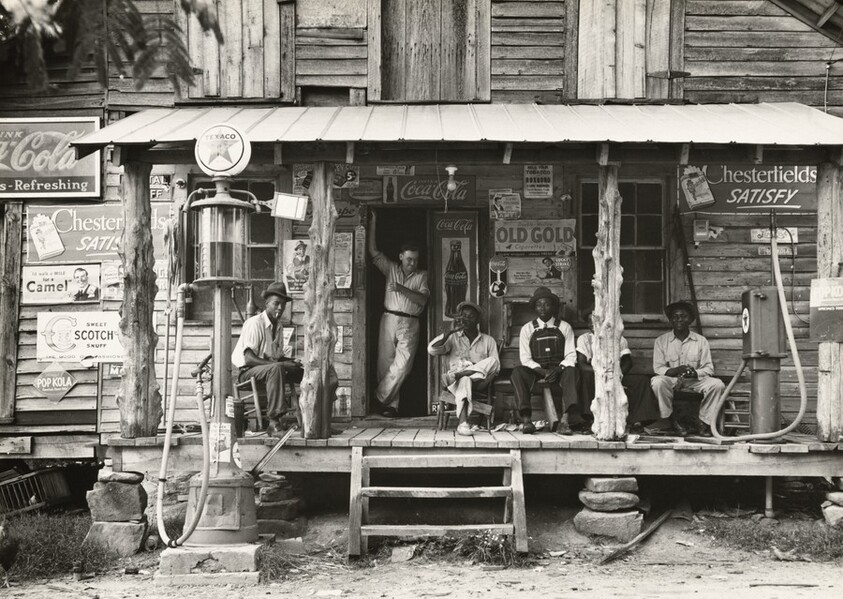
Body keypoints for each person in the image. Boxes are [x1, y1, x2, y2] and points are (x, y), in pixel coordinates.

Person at [368, 211, 430, 417]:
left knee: (402, 366)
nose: (412, 263)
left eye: (415, 260)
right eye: (409, 259)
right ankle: (391, 407)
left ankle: (377, 398)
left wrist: (401, 289)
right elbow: (373, 251)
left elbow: (422, 300)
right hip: (388, 318)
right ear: (401, 256)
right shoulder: (392, 268)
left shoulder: (422, 275)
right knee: (385, 365)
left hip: (410, 322)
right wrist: (374, 221)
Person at [232, 282, 305, 436]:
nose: (280, 308)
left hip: (267, 369)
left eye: (283, 305)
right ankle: (273, 422)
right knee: (277, 368)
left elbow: (276, 357)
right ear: (266, 304)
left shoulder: (278, 326)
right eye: (276, 304)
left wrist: (290, 362)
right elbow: (249, 358)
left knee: (303, 372)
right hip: (246, 371)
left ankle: (314, 418)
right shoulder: (254, 323)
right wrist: (280, 364)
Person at [576, 308, 660, 432]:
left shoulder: (618, 338)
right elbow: (582, 364)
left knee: (641, 381)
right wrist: (599, 373)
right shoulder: (584, 339)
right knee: (585, 377)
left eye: (598, 320)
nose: (594, 324)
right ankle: (590, 421)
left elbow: (627, 362)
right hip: (594, 375)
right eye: (590, 321)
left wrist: (616, 375)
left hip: (615, 374)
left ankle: (638, 422)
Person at [510, 286, 580, 434]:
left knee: (572, 371)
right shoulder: (527, 329)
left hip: (558, 370)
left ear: (553, 306)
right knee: (517, 373)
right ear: (535, 307)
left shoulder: (564, 327)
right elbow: (525, 358)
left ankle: (564, 421)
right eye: (539, 304)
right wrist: (542, 371)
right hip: (537, 370)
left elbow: (571, 356)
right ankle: (527, 420)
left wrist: (558, 369)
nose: (543, 308)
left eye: (547, 304)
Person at [650, 300, 725, 437]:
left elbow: (709, 368)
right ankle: (672, 420)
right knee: (657, 382)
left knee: (717, 385)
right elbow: (658, 368)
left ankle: (703, 422)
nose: (679, 320)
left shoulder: (701, 341)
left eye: (683, 316)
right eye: (675, 316)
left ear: (690, 319)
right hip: (671, 379)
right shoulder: (661, 341)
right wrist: (675, 370)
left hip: (694, 381)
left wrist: (695, 373)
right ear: (670, 320)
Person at [427, 301, 500, 436]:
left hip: (479, 381)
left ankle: (461, 374)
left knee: (493, 361)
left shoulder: (488, 340)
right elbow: (431, 350)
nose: (466, 319)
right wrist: (450, 331)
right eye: (463, 316)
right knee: (465, 379)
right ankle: (463, 424)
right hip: (455, 382)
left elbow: (495, 367)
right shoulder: (453, 337)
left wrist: (479, 375)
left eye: (470, 316)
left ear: (478, 320)